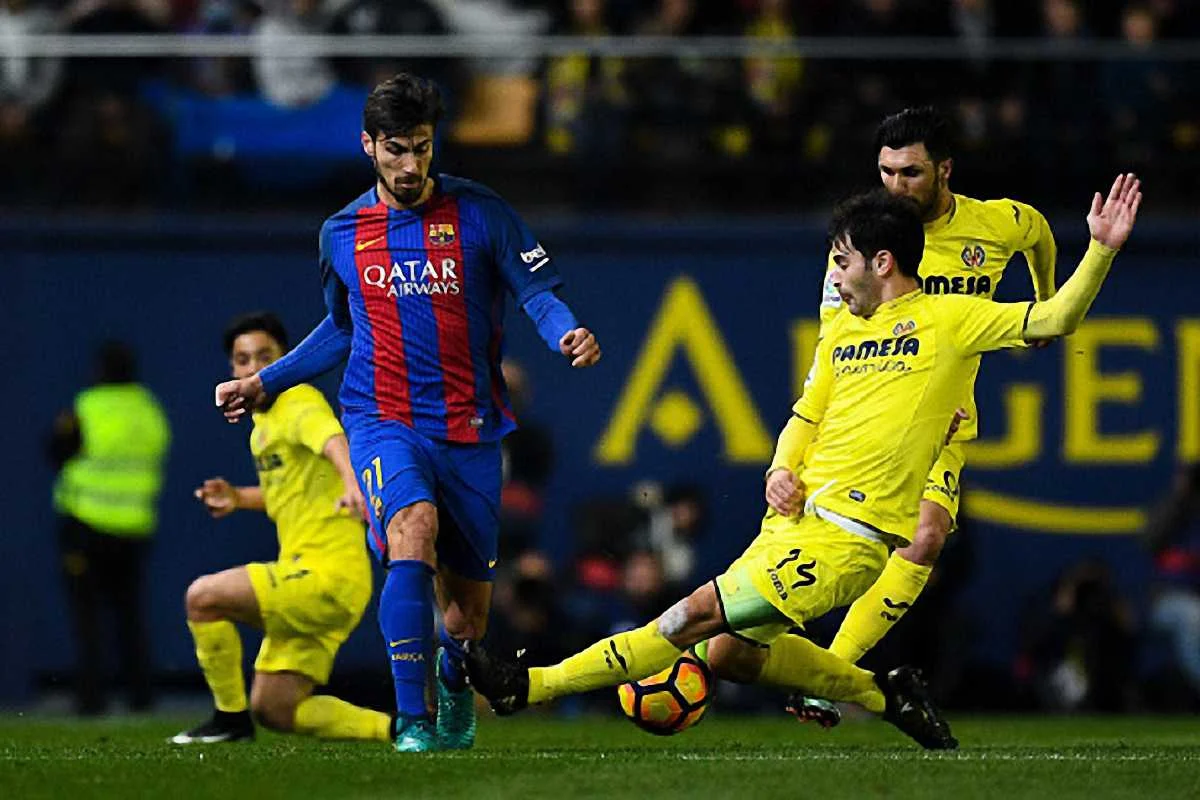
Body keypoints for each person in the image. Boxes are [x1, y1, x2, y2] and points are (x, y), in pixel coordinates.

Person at [465, 175, 1140, 750]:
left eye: (841, 261)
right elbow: (806, 412)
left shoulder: (952, 320)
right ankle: (885, 695)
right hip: (791, 521)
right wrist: (779, 468)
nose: (834, 275)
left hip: (850, 539)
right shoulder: (843, 328)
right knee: (730, 655)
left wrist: (1101, 252)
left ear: (882, 263)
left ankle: (529, 684)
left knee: (694, 616)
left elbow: (1055, 319)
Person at [212, 73, 602, 753]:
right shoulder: (342, 232)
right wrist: (265, 383)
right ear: (369, 145)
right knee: (411, 529)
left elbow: (537, 292)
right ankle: (413, 721)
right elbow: (342, 329)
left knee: (466, 618)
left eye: (422, 146)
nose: (411, 163)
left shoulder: (482, 213)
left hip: (471, 430)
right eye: (396, 149)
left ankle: (455, 677)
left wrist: (564, 331)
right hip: (381, 418)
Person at [782, 105, 1059, 726]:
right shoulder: (862, 245)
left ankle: (826, 674)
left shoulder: (996, 225)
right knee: (814, 552)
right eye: (886, 172)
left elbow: (1037, 231)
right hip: (870, 418)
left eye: (910, 173)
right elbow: (838, 345)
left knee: (926, 538)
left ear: (944, 171)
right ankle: (729, 650)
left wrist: (1043, 297)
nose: (896, 187)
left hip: (944, 421)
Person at [172, 312, 387, 745]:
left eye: (264, 357)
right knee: (275, 707)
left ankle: (228, 722)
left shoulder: (299, 401)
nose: (252, 369)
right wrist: (238, 497)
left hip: (327, 576)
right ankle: (401, 729)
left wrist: (353, 485)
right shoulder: (262, 429)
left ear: (286, 360)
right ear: (231, 370)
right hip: (317, 578)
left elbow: (334, 441)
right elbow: (290, 494)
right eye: (242, 360)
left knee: (204, 597)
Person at [50, 341, 170, 715]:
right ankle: (141, 695)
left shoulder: (87, 407)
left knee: (88, 616)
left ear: (100, 370)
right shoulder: (149, 411)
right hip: (134, 527)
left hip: (86, 524)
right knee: (129, 613)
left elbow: (56, 450)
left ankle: (91, 697)